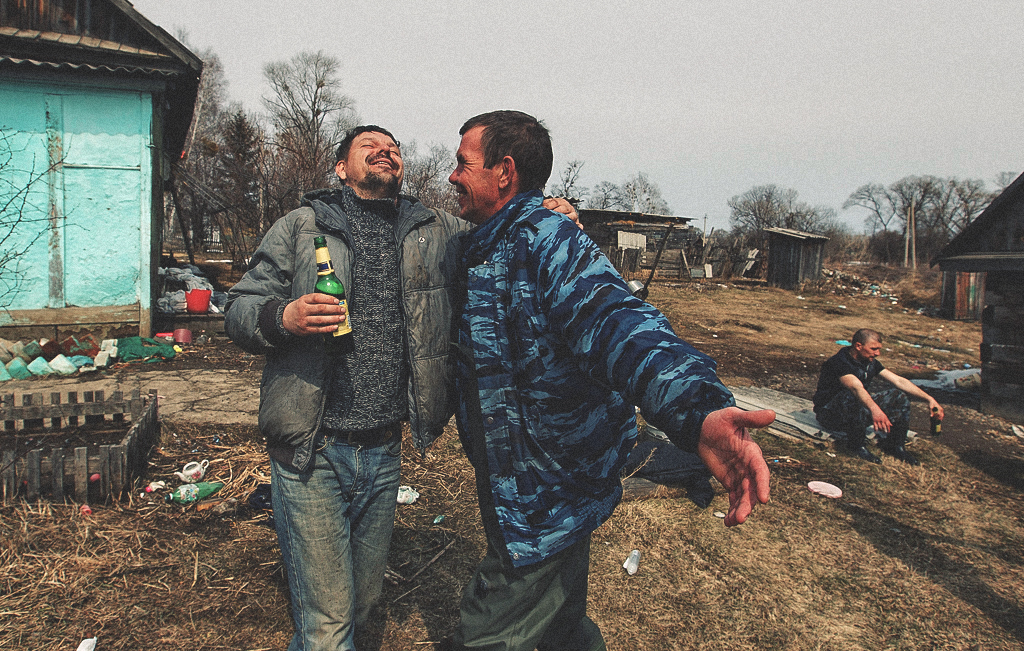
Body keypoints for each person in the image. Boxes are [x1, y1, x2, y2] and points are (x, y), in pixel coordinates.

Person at [224, 124, 578, 651]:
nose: (385, 150)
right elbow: (237, 308)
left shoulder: (434, 230)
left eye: (393, 147)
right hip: (312, 448)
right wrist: (285, 315)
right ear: (341, 168)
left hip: (384, 450)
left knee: (363, 605)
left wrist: (545, 211)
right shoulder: (301, 227)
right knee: (327, 625)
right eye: (369, 145)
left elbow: (498, 232)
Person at [442, 110, 774, 651]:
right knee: (561, 624)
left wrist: (698, 410)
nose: (453, 176)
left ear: (504, 172)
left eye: (462, 164)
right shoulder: (482, 247)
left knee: (491, 631)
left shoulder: (550, 242)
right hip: (513, 474)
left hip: (548, 484)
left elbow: (620, 326)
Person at [813, 328, 944, 465]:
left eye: (879, 349)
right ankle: (856, 446)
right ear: (858, 346)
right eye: (874, 349)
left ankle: (895, 445)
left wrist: (930, 399)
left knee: (898, 396)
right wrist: (876, 410)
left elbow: (899, 381)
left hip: (855, 413)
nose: (878, 353)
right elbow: (855, 388)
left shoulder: (869, 362)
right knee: (851, 395)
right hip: (830, 415)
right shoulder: (839, 362)